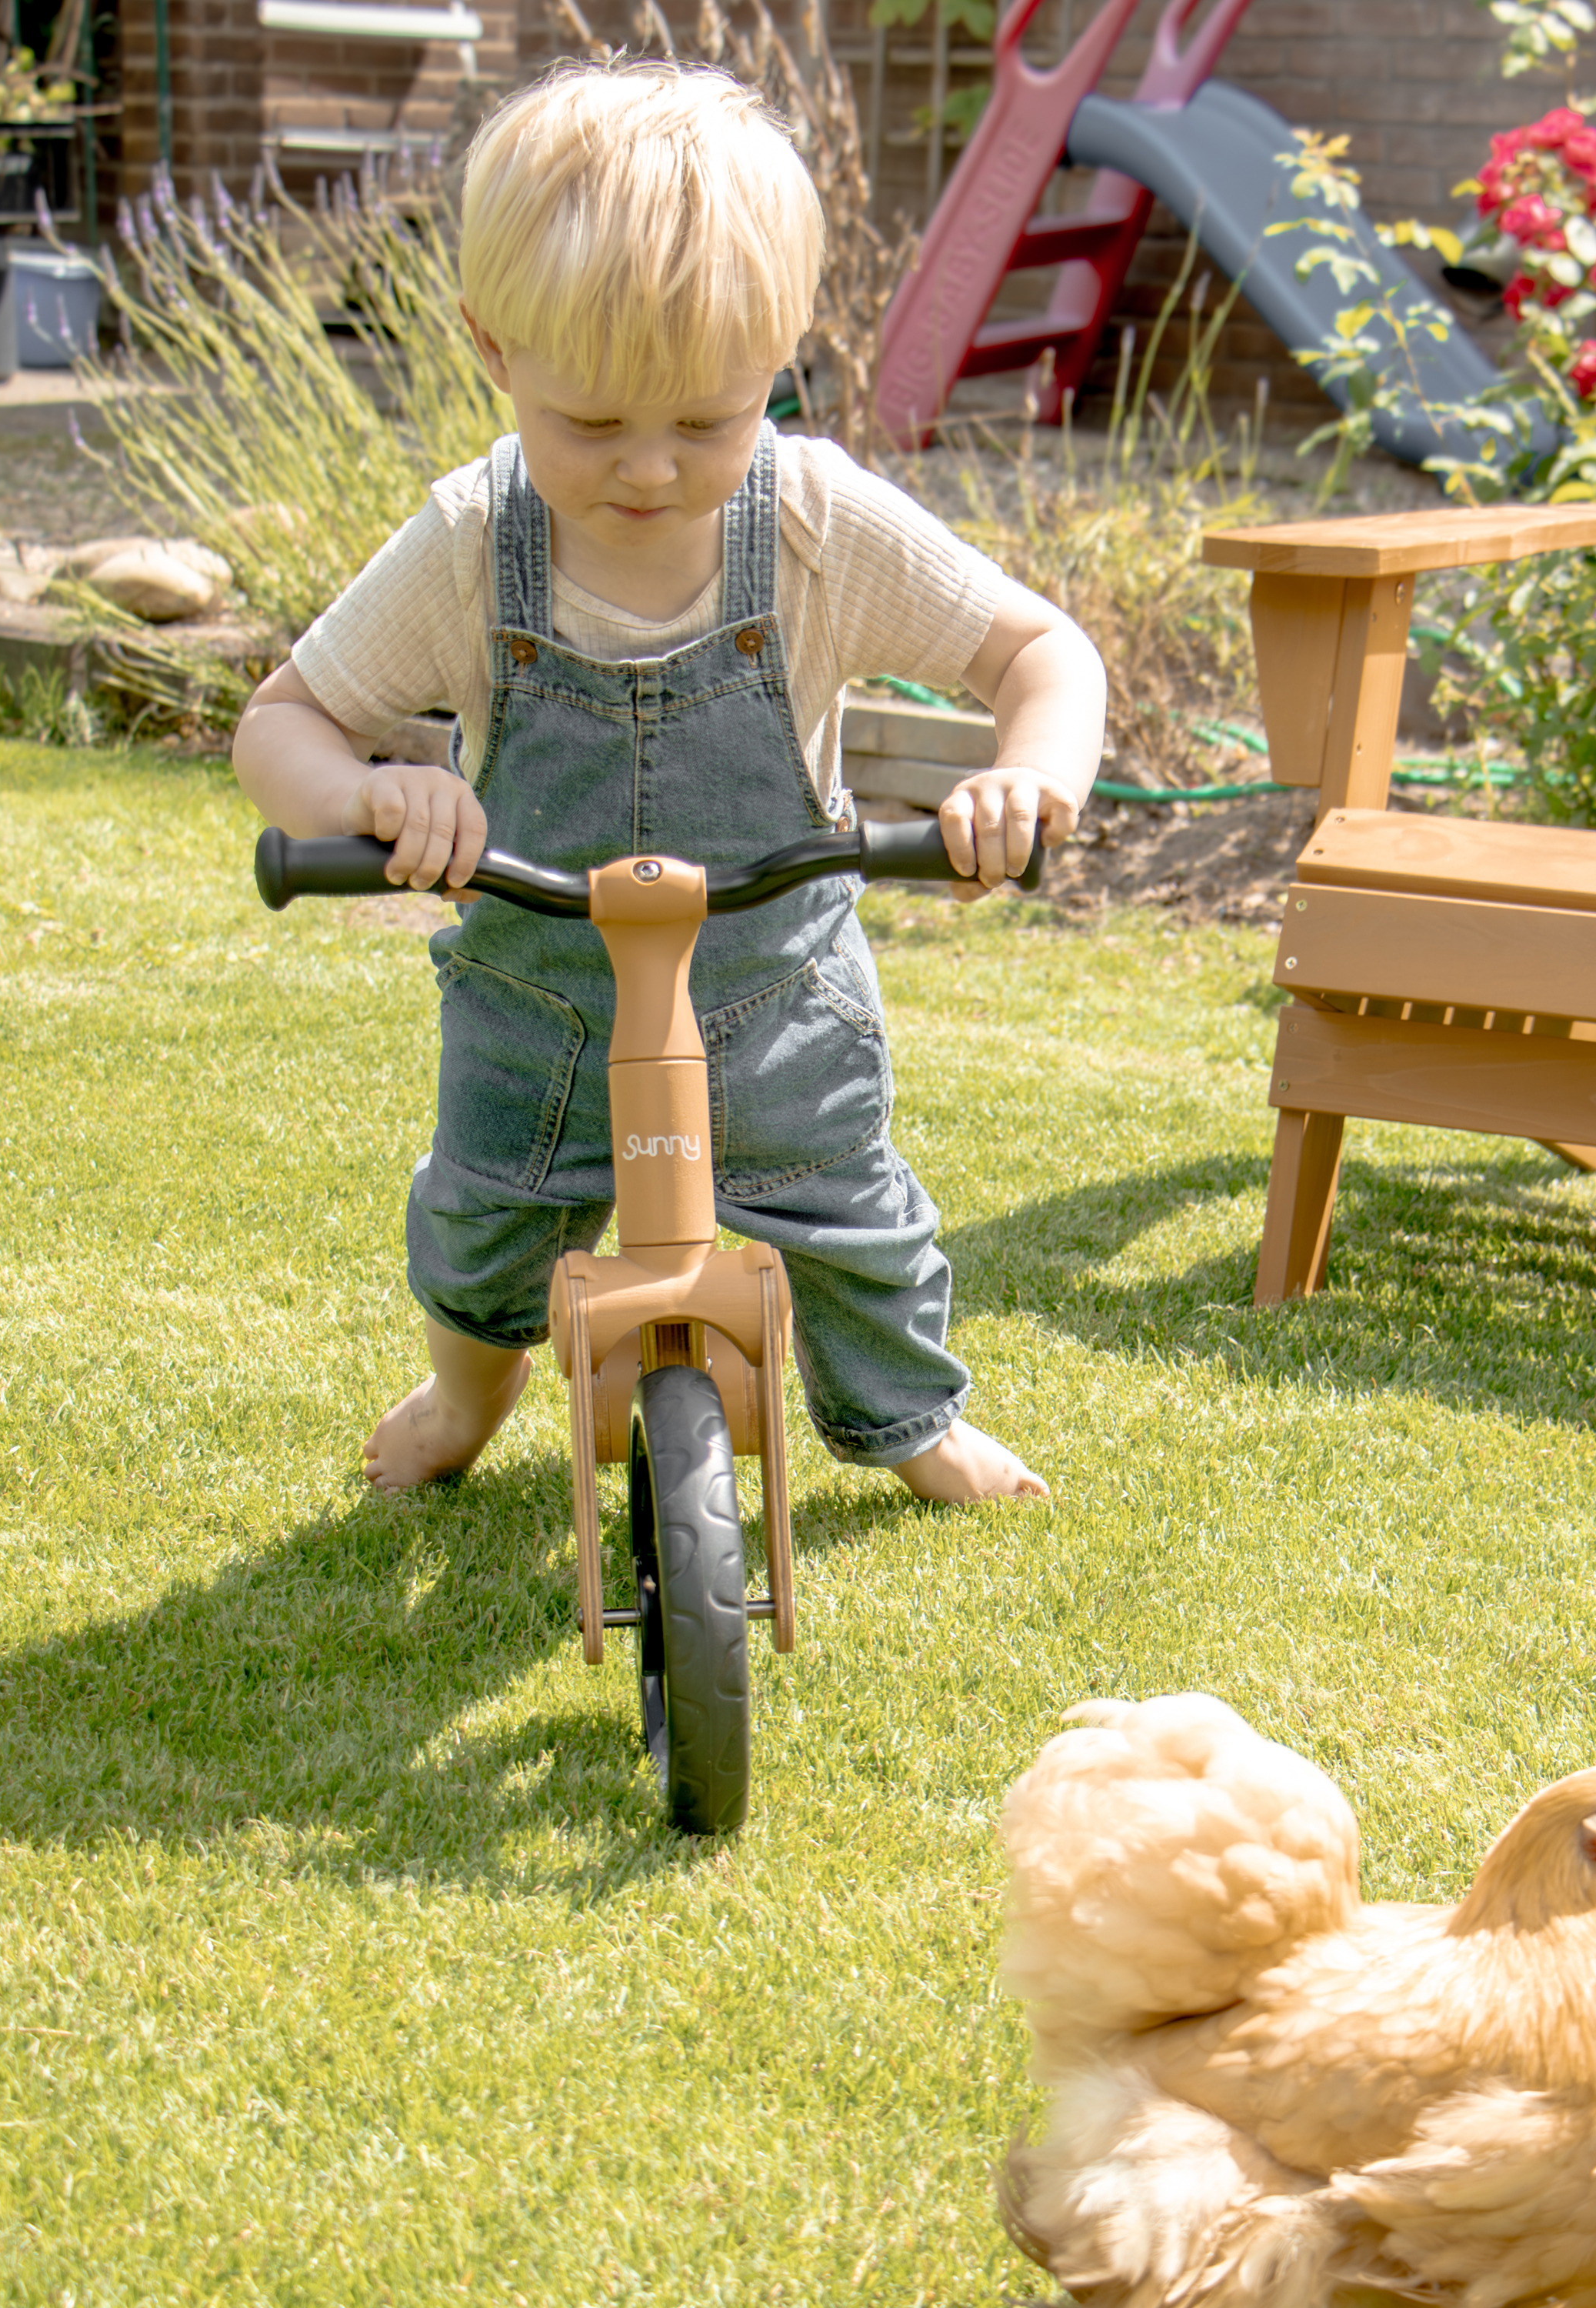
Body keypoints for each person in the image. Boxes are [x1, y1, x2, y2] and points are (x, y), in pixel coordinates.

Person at [233, 57, 1105, 1506]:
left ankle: (910, 1424)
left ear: (780, 351)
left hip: (777, 1004)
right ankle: (462, 1400)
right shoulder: (470, 541)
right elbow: (287, 720)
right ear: (493, 348)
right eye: (592, 424)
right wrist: (370, 798)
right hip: (539, 1008)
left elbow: (1041, 651)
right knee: (483, 1229)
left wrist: (1029, 773)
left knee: (854, 1223)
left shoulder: (813, 521)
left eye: (706, 420)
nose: (649, 467)